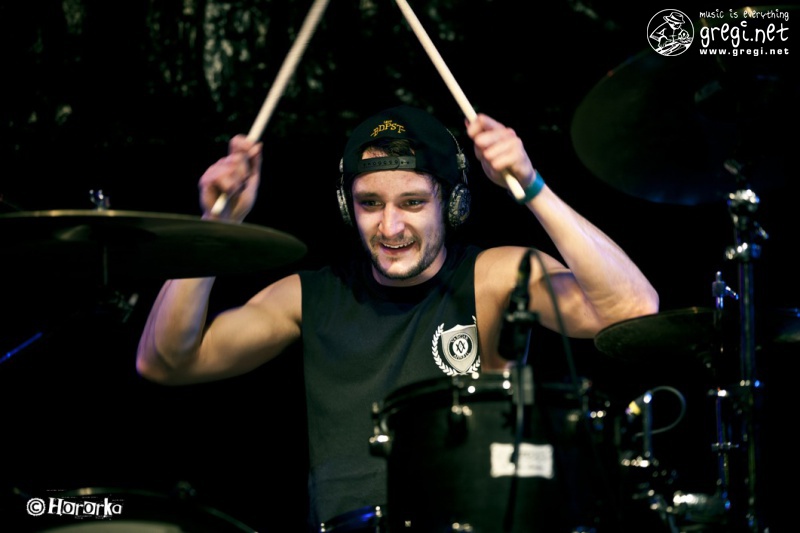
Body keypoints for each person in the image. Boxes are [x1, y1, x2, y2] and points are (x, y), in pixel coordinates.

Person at [136, 104, 659, 531]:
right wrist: (218, 223)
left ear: (451, 203)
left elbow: (631, 308)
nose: (390, 227)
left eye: (411, 202)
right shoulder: (309, 296)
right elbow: (166, 362)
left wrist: (531, 186)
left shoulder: (497, 276)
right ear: (348, 207)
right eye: (370, 203)